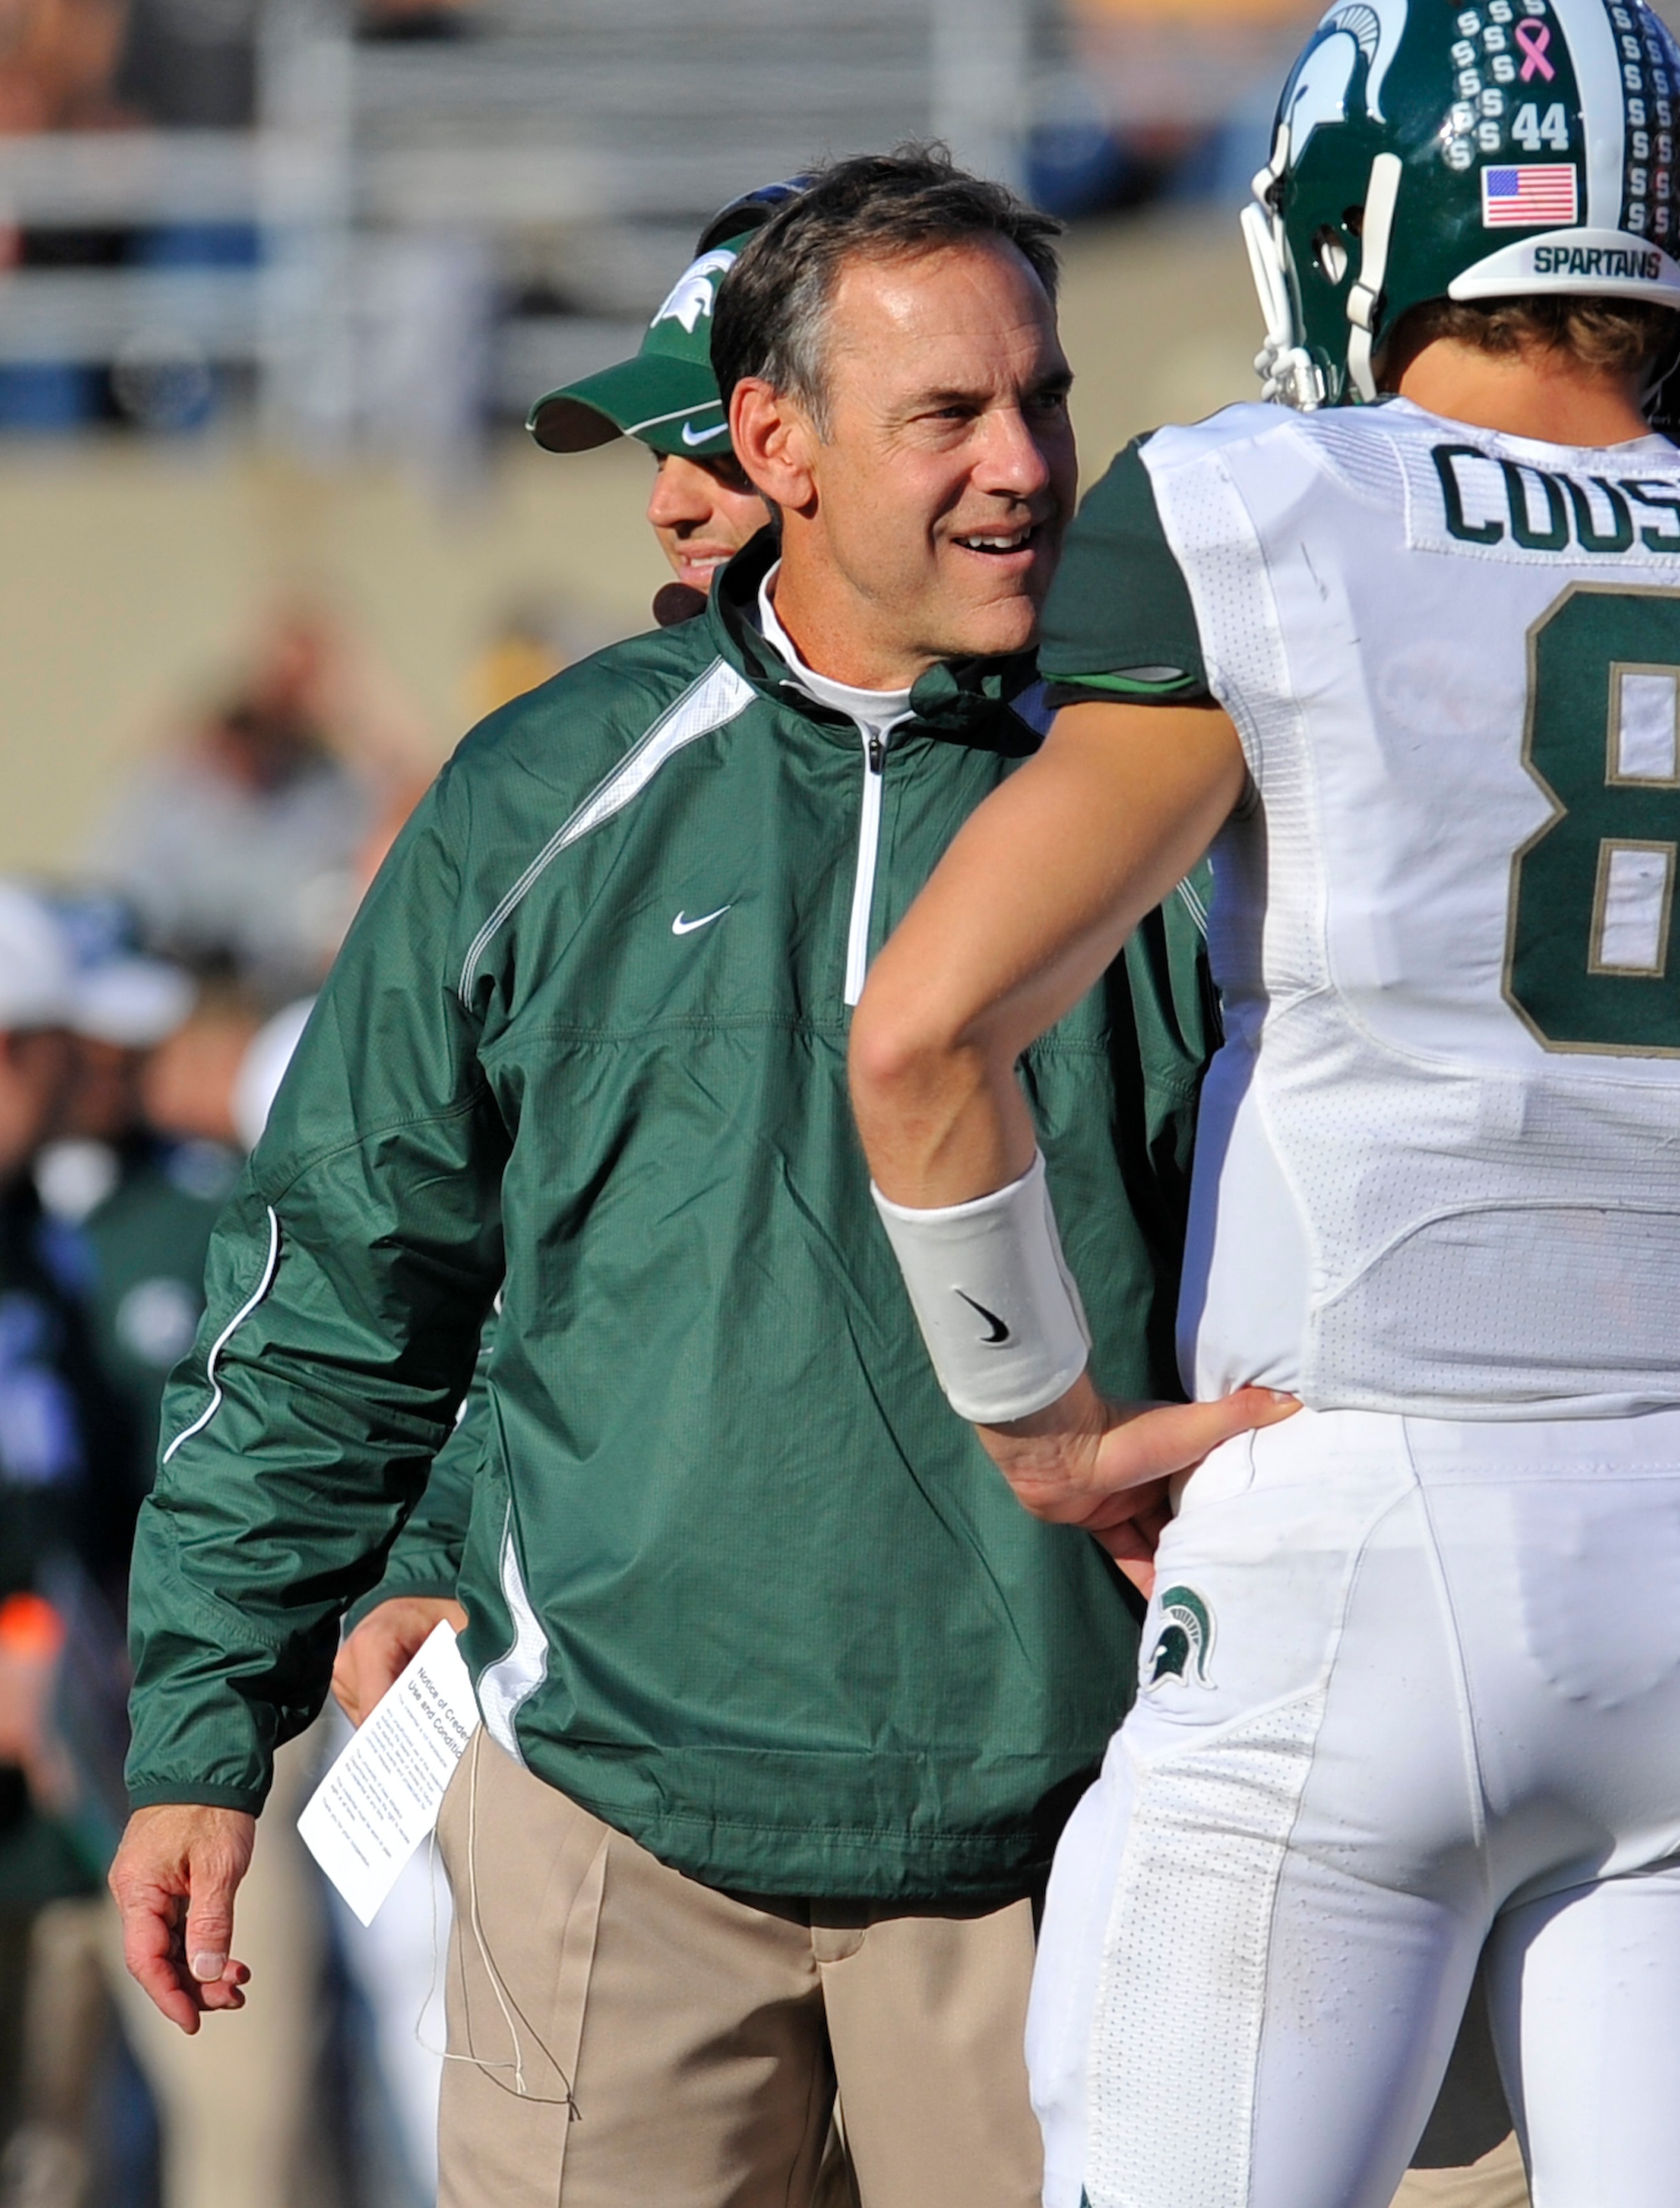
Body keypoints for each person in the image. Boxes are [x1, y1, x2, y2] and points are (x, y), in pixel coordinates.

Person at [108, 148, 1271, 2208]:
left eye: (1044, 399)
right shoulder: (545, 795)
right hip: (609, 1837)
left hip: (1052, 1842)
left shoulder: (1178, 799)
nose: (1021, 464)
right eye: (947, 413)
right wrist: (211, 1726)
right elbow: (349, 1286)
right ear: (780, 445)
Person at [848, 9, 1680, 2207]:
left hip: (1356, 1531)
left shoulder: (1267, 505)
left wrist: (1042, 1421)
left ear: (1356, 218)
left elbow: (924, 1036)